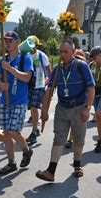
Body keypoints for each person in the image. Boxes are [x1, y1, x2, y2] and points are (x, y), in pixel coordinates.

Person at [36, 39, 95, 182]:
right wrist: (44, 111)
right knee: (59, 138)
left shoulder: (82, 66)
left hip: (79, 107)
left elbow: (91, 88)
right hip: (62, 108)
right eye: (60, 52)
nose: (62, 54)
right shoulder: (57, 69)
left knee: (78, 139)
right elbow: (49, 90)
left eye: (66, 52)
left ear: (73, 52)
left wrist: (87, 108)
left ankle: (77, 164)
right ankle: (51, 171)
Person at [0, 31, 33, 175]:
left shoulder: (25, 58)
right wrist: (1, 84)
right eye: (6, 40)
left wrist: (10, 69)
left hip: (20, 100)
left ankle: (26, 150)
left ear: (17, 42)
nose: (8, 43)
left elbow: (27, 78)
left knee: (13, 131)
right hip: (5, 100)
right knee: (6, 133)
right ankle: (11, 163)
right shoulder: (3, 60)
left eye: (10, 40)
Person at [25, 36, 52, 146]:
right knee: (32, 108)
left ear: (36, 45)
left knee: (33, 107)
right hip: (28, 85)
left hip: (39, 84)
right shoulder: (25, 56)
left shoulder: (41, 55)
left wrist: (50, 86)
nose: (31, 47)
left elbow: (49, 71)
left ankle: (34, 132)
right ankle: (36, 128)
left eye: (33, 44)